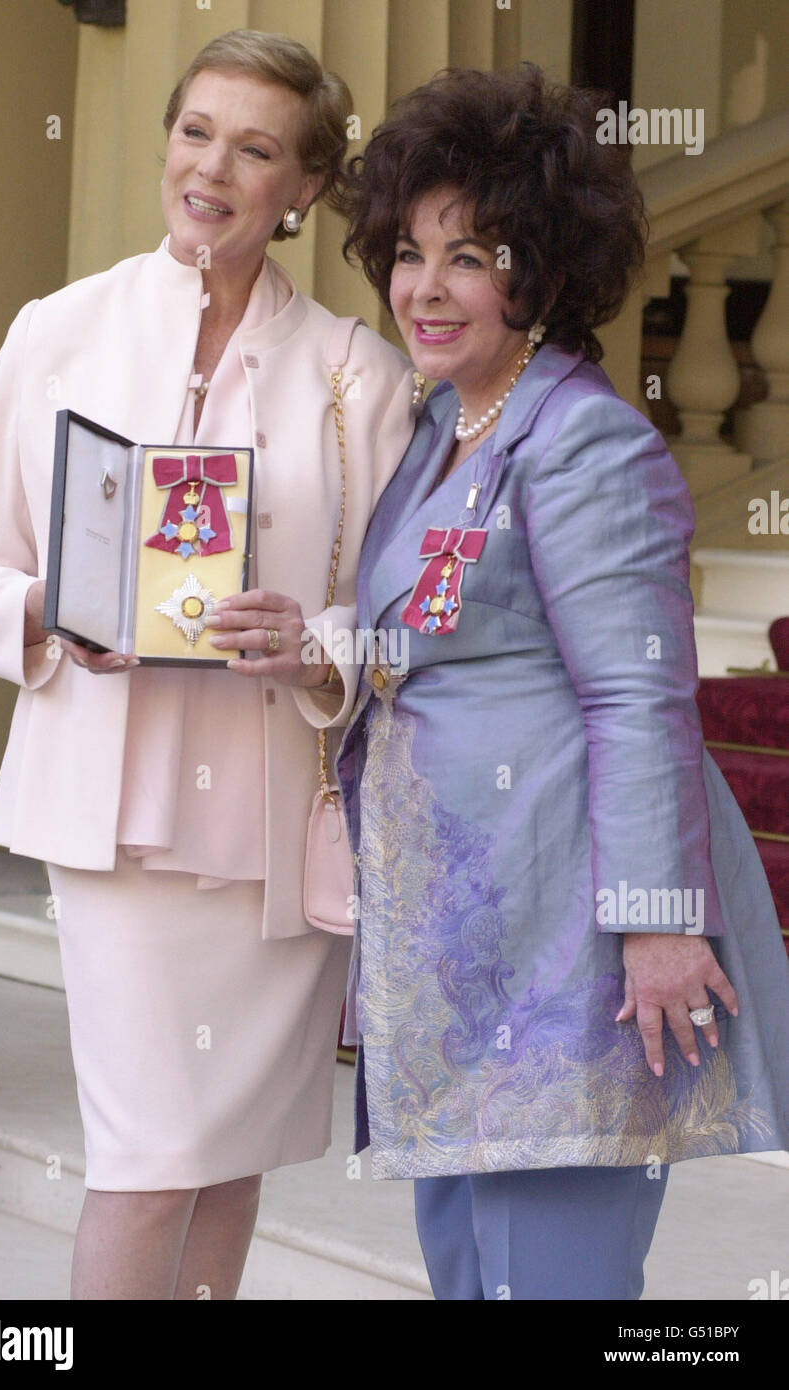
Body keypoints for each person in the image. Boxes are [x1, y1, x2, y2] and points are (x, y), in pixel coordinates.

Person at [0, 30, 415, 1300]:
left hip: (270, 837)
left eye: (256, 148)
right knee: (148, 1163)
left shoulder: (359, 376)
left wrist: (312, 645)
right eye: (197, 130)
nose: (212, 167)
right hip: (112, 825)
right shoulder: (57, 332)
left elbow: (395, 621)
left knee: (228, 1161)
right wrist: (50, 609)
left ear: (303, 190)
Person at [335, 64, 789, 1301]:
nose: (428, 288)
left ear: (539, 269)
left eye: (471, 254)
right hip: (459, 942)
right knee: (469, 1269)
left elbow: (639, 693)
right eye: (412, 252)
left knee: (552, 1282)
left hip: (566, 945)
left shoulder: (586, 436)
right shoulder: (445, 428)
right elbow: (445, 636)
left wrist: (655, 919)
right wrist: (315, 639)